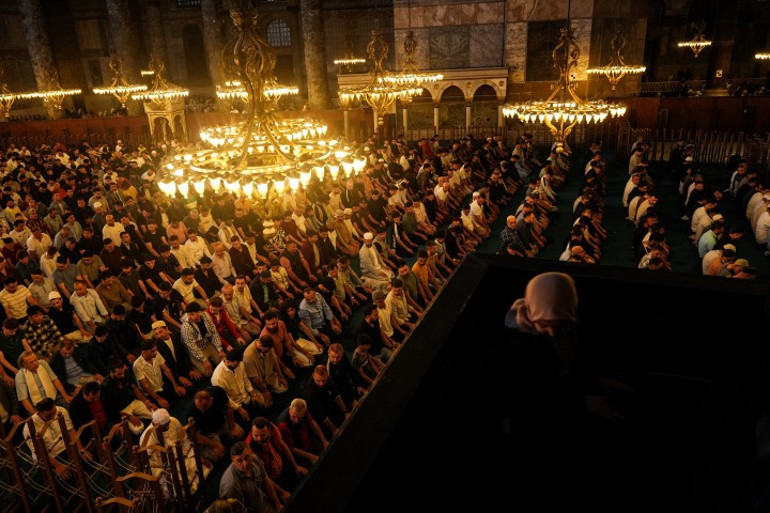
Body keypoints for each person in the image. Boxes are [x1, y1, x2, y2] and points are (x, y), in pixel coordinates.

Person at [23, 398, 92, 479]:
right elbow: (40, 453)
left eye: (54, 413)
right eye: (49, 417)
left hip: (66, 448)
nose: (53, 418)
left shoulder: (60, 410)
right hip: (50, 457)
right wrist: (57, 466)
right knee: (69, 477)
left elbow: (71, 431)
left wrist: (81, 450)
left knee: (89, 462)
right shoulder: (29, 428)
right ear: (39, 414)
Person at [246, 416, 307, 492]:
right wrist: (282, 493)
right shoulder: (249, 450)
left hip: (282, 466)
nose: (259, 439)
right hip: (273, 481)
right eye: (256, 435)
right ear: (252, 431)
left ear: (269, 430)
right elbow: (263, 476)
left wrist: (295, 466)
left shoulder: (272, 427)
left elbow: (282, 444)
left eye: (262, 435)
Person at [219, 441, 283, 513]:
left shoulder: (255, 459)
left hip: (261, 499)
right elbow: (240, 511)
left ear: (251, 452)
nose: (245, 464)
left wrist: (278, 504)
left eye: (247, 457)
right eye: (239, 461)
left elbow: (265, 481)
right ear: (233, 461)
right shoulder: (231, 486)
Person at [187, 386, 244, 463]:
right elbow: (195, 435)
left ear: (211, 400)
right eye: (198, 407)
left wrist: (233, 427)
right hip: (208, 433)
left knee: (239, 434)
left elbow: (228, 408)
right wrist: (215, 445)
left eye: (204, 407)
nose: (201, 410)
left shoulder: (218, 392)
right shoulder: (191, 411)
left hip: (222, 423)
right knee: (215, 456)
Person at [133, 339, 190, 409]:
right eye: (152, 351)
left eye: (155, 349)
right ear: (144, 351)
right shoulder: (137, 365)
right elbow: (145, 386)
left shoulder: (157, 354)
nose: (156, 353)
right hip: (152, 393)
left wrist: (175, 386)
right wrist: (159, 399)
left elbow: (166, 370)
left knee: (184, 391)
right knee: (165, 407)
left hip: (162, 387)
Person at [211, 348, 263, 425]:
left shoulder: (239, 364)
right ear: (228, 361)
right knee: (246, 424)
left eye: (239, 364)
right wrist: (239, 409)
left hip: (246, 398)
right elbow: (225, 398)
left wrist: (253, 394)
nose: (238, 366)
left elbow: (245, 380)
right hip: (235, 406)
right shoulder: (217, 377)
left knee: (261, 413)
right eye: (235, 365)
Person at [15, 350, 73, 415]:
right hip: (38, 405)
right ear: (24, 364)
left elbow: (55, 380)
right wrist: (35, 415)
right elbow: (24, 399)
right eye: (31, 362)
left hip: (54, 398)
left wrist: (65, 396)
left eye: (35, 360)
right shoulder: (20, 375)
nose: (35, 363)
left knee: (72, 408)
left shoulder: (43, 363)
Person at [275, 398, 329, 465]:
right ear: (290, 410)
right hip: (298, 451)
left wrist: (324, 440)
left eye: (300, 417)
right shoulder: (283, 425)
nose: (297, 420)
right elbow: (291, 448)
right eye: (294, 417)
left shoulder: (303, 410)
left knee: (328, 453)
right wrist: (311, 457)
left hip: (309, 442)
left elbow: (312, 423)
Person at [243, 335, 288, 408]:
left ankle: (271, 388)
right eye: (266, 351)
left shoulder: (268, 346)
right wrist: (264, 391)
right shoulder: (248, 357)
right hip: (258, 383)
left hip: (269, 376)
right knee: (265, 403)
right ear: (260, 345)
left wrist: (280, 376)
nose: (268, 352)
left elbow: (274, 360)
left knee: (284, 388)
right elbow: (254, 379)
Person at [180, 302, 225, 376]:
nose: (189, 317)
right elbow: (191, 346)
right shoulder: (186, 326)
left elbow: (214, 332)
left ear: (199, 313)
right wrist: (203, 360)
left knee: (223, 361)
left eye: (192, 314)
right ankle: (195, 366)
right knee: (208, 373)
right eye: (188, 314)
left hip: (206, 344)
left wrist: (219, 349)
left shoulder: (206, 316)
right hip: (195, 349)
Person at [304, 365, 349, 436]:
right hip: (320, 416)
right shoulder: (310, 392)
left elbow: (336, 395)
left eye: (324, 380)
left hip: (328, 404)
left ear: (327, 375)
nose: (321, 384)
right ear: (313, 376)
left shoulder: (327, 379)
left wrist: (345, 412)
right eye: (318, 381)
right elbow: (320, 414)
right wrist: (334, 429)